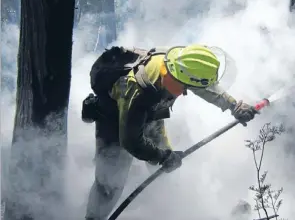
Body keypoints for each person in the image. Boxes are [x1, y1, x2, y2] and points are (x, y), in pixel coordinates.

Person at [81, 44, 259, 220]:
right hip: (115, 119)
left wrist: (234, 105)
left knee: (166, 172)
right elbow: (130, 141)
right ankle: (93, 218)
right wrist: (162, 157)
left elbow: (202, 85)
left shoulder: (180, 64)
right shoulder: (139, 89)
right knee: (110, 183)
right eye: (184, 88)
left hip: (151, 113)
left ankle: (168, 209)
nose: (185, 92)